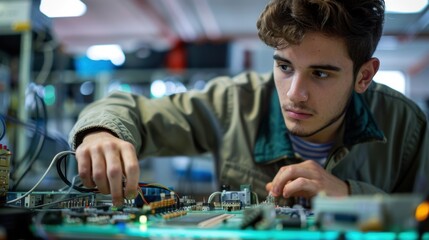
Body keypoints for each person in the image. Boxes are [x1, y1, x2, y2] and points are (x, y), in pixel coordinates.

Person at [69, 0, 429, 207]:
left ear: (364, 76)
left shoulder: (406, 125)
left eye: (321, 74)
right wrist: (102, 132)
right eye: (285, 66)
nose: (294, 94)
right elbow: (128, 110)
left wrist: (351, 194)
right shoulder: (234, 102)